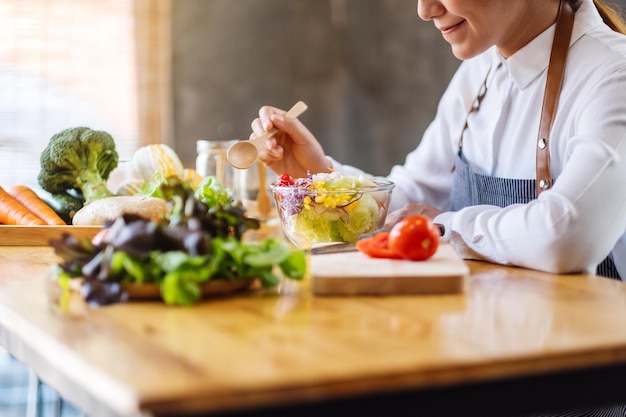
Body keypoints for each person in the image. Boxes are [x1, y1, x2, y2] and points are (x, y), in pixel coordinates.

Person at [250, 0, 626, 281]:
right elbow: (415, 197)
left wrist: (446, 226)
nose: (425, 9)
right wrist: (321, 178)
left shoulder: (613, 74)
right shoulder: (479, 72)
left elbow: (566, 236)